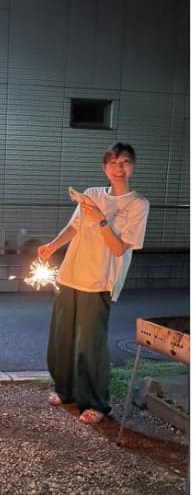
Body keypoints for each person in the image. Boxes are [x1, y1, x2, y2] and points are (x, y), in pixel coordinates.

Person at [38, 142, 149, 425]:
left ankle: (95, 402)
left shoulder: (137, 205)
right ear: (104, 167)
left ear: (132, 166)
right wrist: (52, 246)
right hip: (69, 275)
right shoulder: (91, 194)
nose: (118, 168)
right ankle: (65, 390)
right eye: (113, 162)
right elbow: (75, 227)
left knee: (90, 344)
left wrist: (101, 219)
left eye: (124, 162)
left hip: (99, 281)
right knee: (61, 338)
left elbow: (118, 248)